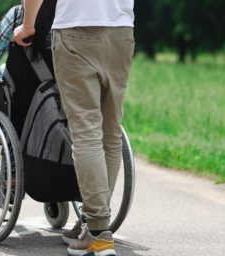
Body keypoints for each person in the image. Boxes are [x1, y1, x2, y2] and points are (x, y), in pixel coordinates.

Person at [14, 1, 135, 256]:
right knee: (110, 134)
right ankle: (93, 223)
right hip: (121, 31)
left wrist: (27, 25)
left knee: (86, 131)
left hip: (77, 29)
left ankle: (97, 231)